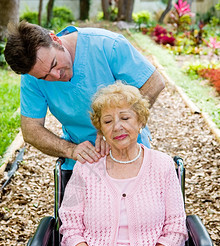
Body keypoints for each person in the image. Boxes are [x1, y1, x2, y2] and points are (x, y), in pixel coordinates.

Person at [59, 82, 188, 246]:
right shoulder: (85, 169)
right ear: (101, 130)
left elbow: (175, 230)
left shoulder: (163, 166)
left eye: (125, 118)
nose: (117, 126)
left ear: (140, 122)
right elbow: (70, 231)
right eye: (108, 121)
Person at [4, 21, 165, 170]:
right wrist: (71, 150)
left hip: (129, 151)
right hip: (83, 161)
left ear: (55, 39)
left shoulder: (107, 45)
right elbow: (30, 129)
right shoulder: (31, 77)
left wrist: (115, 127)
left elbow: (154, 82)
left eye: (54, 64)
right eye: (44, 77)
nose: (56, 75)